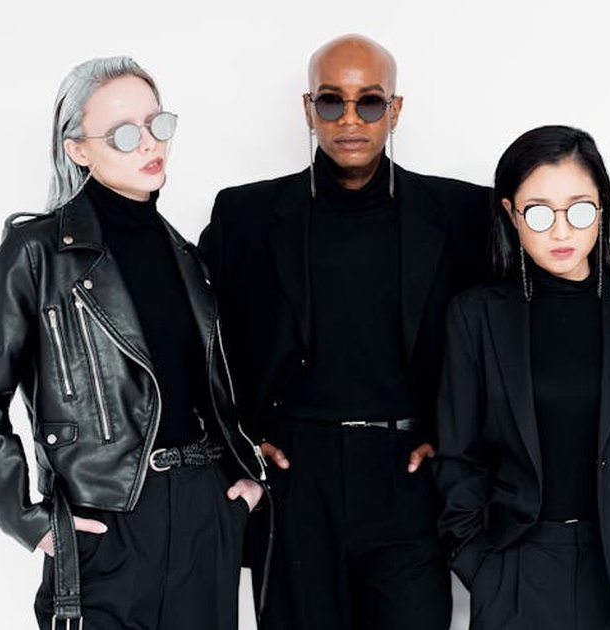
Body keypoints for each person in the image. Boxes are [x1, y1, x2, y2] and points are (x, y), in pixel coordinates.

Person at [198, 34, 491, 630]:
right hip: (294, 480)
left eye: (370, 102)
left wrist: (457, 441)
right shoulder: (245, 218)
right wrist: (236, 445)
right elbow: (192, 343)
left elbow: (504, 343)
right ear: (308, 109)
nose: (350, 119)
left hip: (409, 477)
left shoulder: (463, 215)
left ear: (396, 109)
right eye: (332, 102)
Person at [0, 56, 266, 630]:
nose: (149, 143)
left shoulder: (187, 257)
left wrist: (238, 490)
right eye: (124, 133)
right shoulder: (35, 255)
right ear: (78, 148)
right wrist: (30, 522)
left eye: (159, 124)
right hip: (105, 523)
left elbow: (208, 391)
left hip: (204, 514)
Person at [434, 125, 610, 629]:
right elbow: (459, 454)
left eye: (579, 209)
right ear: (510, 215)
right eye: (538, 212)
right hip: (518, 565)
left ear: (602, 207)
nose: (561, 231)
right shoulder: (476, 316)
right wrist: (477, 562)